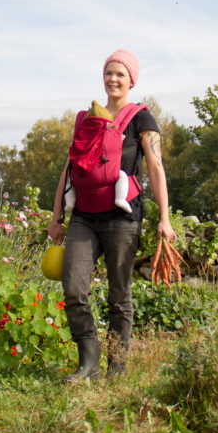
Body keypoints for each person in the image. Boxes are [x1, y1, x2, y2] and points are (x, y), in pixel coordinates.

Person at [48, 49, 176, 382]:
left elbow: (156, 168)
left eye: (120, 74)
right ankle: (88, 362)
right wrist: (57, 216)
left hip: (123, 218)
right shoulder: (87, 117)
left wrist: (165, 218)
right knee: (74, 288)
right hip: (84, 217)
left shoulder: (142, 120)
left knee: (120, 295)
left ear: (132, 80)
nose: (113, 79)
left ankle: (117, 368)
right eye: (109, 73)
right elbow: (69, 167)